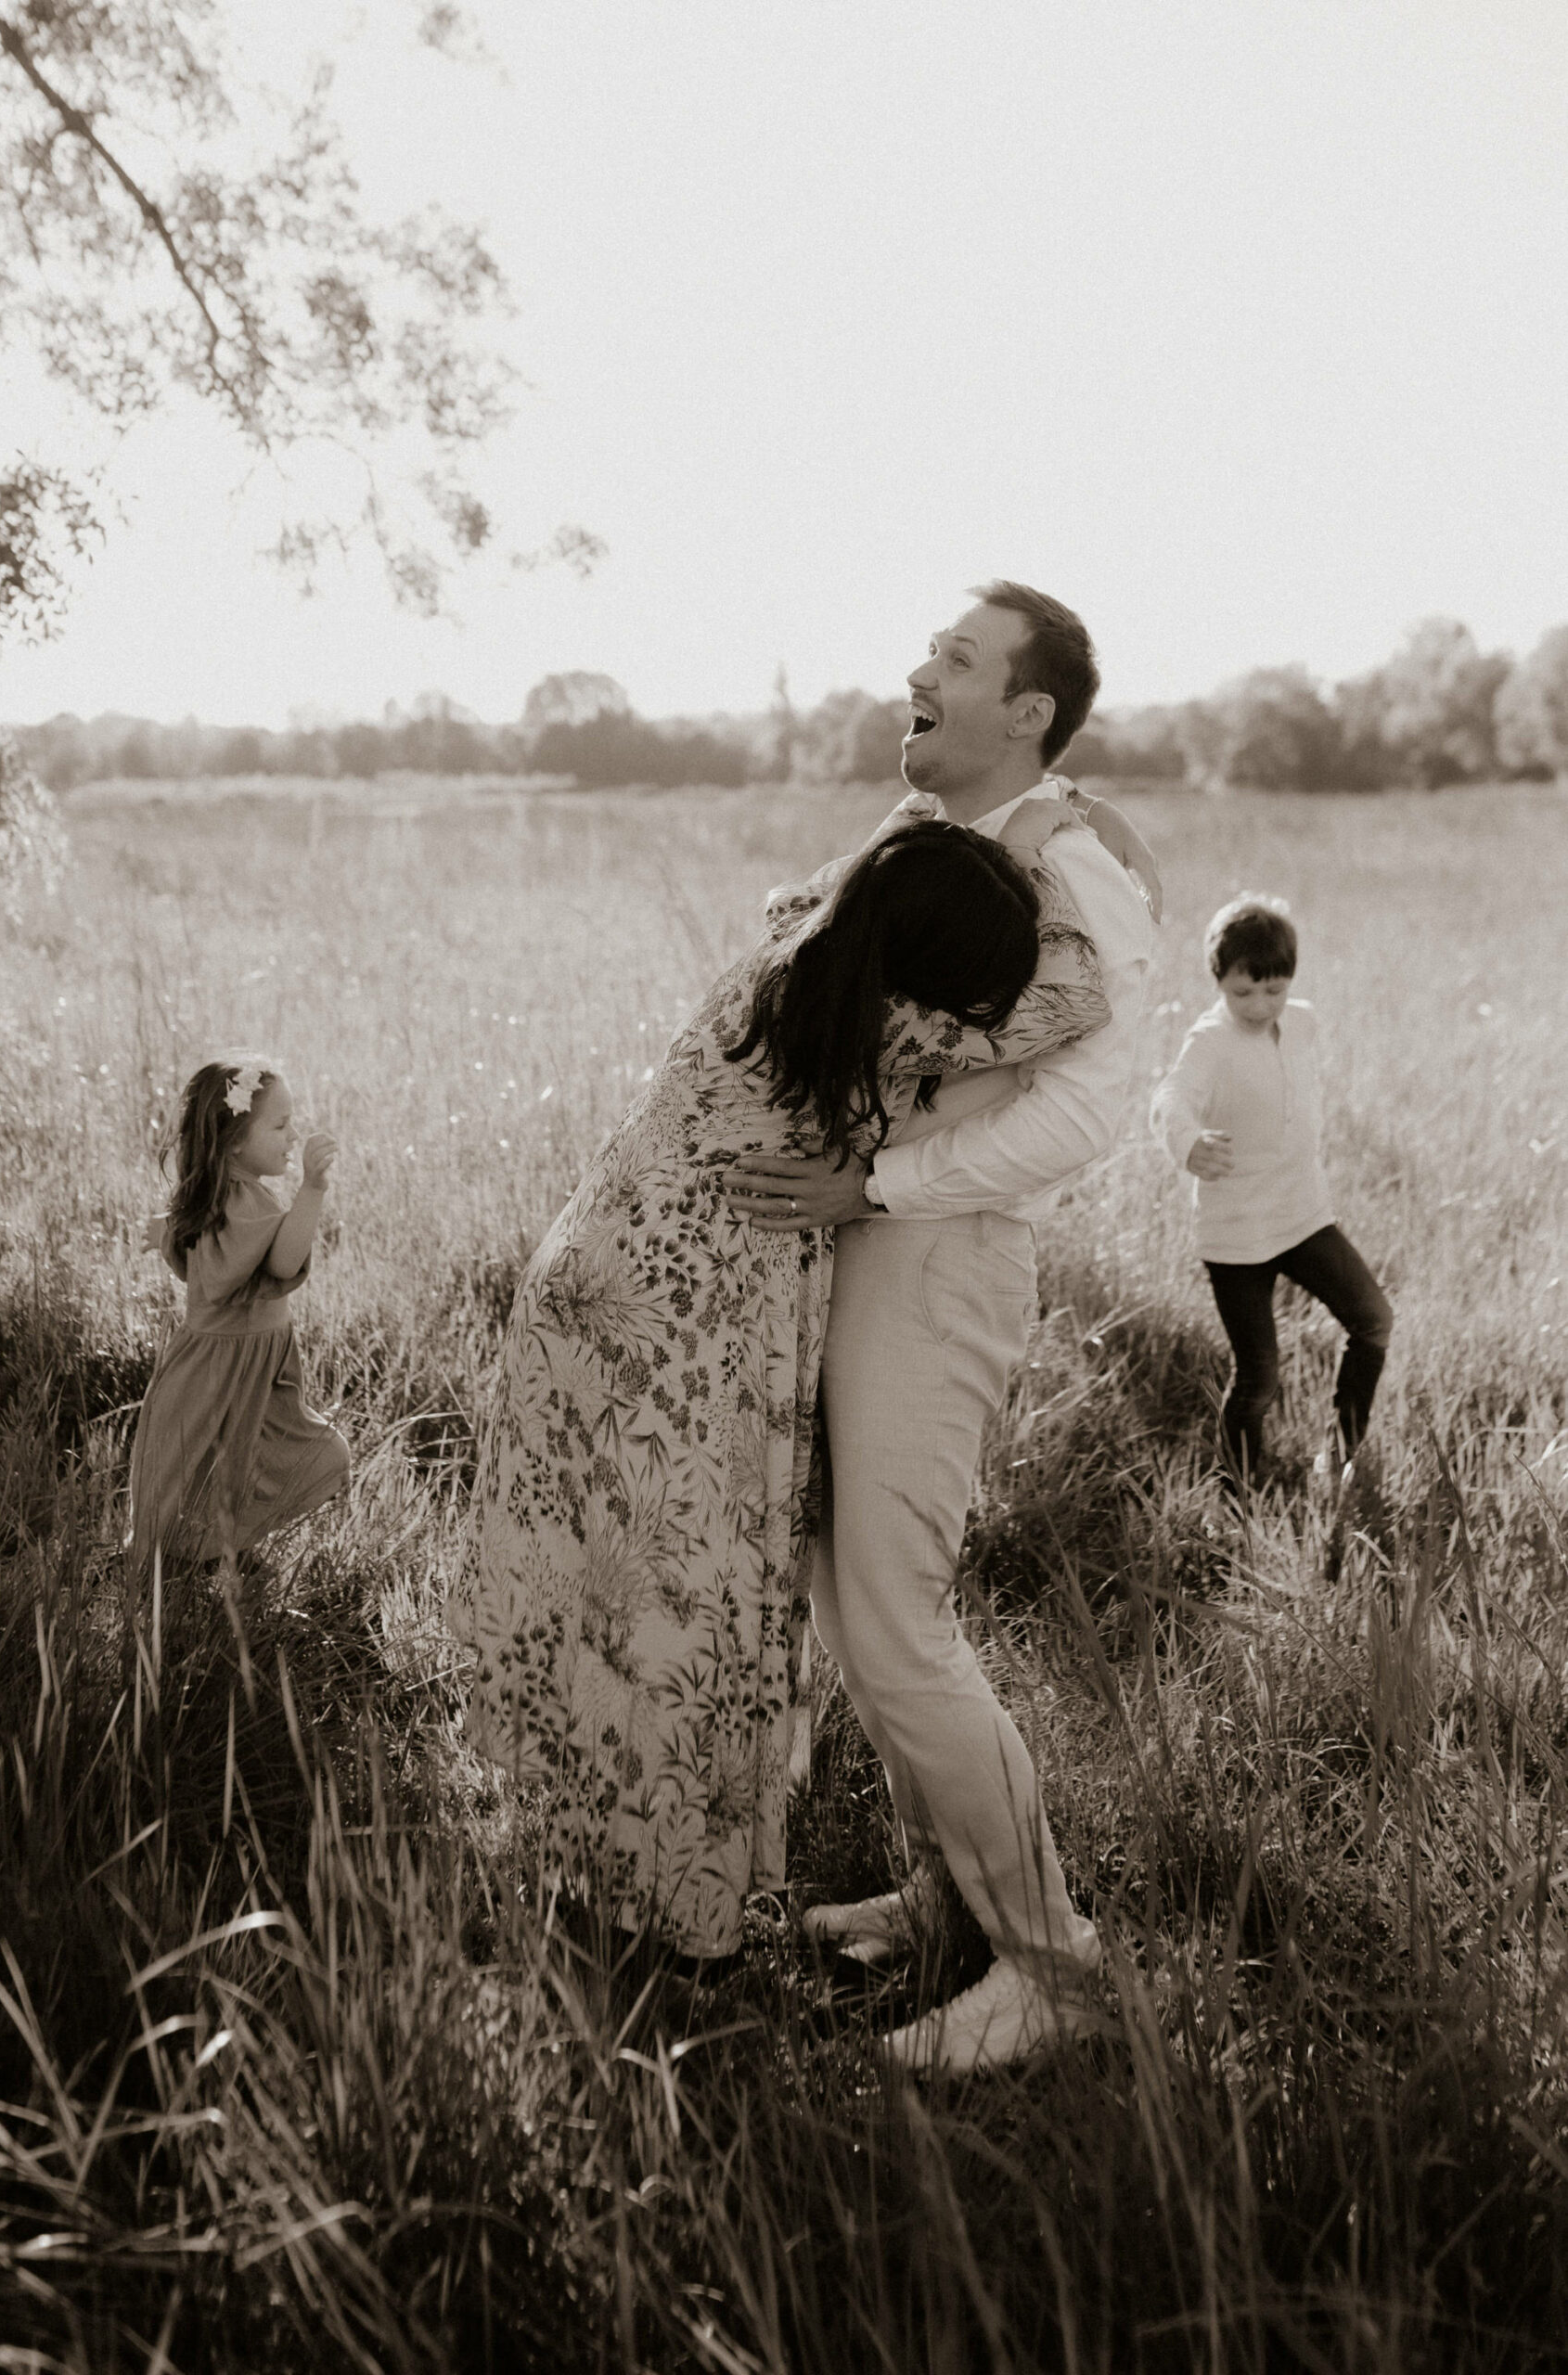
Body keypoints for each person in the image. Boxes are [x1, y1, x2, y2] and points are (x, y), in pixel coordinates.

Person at [451, 816, 1111, 1962]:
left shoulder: (792, 957)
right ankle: (671, 1910)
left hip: (596, 1288)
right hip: (684, 1332)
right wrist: (1050, 855)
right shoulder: (882, 1037)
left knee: (606, 1597)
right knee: (687, 1608)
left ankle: (592, 1865)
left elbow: (855, 890)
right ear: (931, 974)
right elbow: (1077, 1001)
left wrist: (937, 844)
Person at [728, 581, 1157, 2073]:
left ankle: (1053, 1967)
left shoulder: (1074, 862)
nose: (917, 669)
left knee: (896, 1623)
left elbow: (1091, 1109)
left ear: (1026, 712)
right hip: (870, 1240)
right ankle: (945, 1906)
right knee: (856, 1612)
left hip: (942, 1249)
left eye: (957, 660)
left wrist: (880, 1183)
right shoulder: (941, 844)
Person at [1150, 892, 1393, 1488]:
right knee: (1259, 1374)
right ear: (1218, 981)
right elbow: (1170, 1099)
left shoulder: (1303, 1022)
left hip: (1303, 1215)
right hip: (1235, 1234)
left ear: (1291, 982)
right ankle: (1237, 1488)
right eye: (1243, 993)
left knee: (1374, 1320)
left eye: (1274, 990)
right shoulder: (1208, 1041)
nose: (1260, 1005)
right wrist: (1186, 1142)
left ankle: (1338, 1455)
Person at [127, 1057, 349, 1583]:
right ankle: (173, 1563)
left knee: (280, 1458)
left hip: (258, 1368)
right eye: (279, 1125)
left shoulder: (235, 1194)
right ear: (233, 1144)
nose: (293, 1135)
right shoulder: (238, 1201)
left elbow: (205, 1256)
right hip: (215, 1369)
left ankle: (214, 1547)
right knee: (189, 1468)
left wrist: (166, 1236)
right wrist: (312, 1190)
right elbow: (280, 1263)